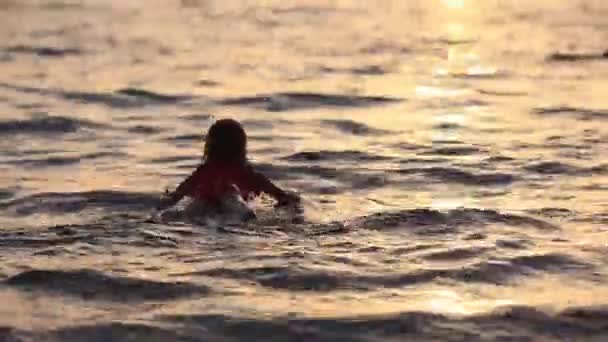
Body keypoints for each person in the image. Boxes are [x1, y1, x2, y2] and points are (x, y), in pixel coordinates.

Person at [157, 118, 300, 212]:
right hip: (236, 211)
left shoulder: (203, 173)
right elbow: (283, 198)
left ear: (209, 147)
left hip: (205, 208)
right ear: (242, 148)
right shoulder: (250, 175)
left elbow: (173, 199)